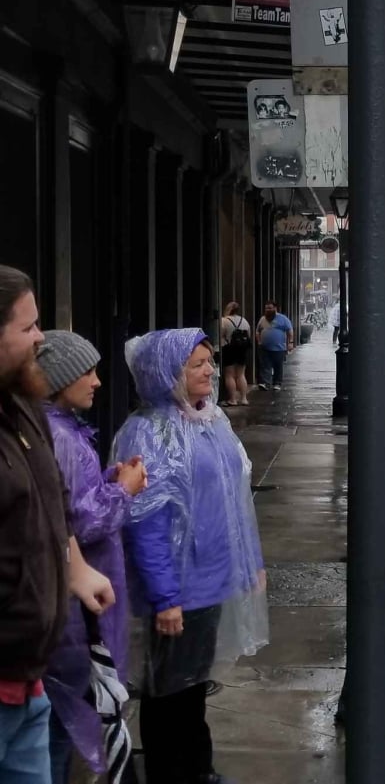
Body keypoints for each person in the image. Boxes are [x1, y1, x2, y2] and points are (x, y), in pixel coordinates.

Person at [115, 329, 268, 784]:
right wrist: (165, 598)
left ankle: (198, 769)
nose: (209, 370)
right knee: (167, 696)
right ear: (167, 372)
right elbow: (145, 523)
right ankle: (172, 773)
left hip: (212, 582)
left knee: (193, 688)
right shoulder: (148, 432)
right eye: (196, 363)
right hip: (179, 592)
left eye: (209, 361)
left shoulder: (210, 420)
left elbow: (235, 497)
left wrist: (250, 561)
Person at [0, 267, 115, 784]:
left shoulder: (22, 410)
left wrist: (74, 568)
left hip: (31, 678)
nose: (41, 338)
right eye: (28, 328)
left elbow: (56, 501)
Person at [36, 332, 145, 783]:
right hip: (79, 608)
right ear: (60, 380)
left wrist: (105, 481)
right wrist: (125, 490)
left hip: (79, 597)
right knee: (63, 721)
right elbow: (76, 524)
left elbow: (73, 503)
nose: (98, 381)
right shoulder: (61, 437)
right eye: (87, 372)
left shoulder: (58, 431)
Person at [218, 302, 252, 407]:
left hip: (229, 349)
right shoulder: (244, 321)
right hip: (242, 350)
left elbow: (220, 335)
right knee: (241, 374)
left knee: (230, 375)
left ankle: (232, 399)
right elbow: (248, 335)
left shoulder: (224, 321)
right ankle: (244, 399)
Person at [255, 303, 294, 391]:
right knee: (265, 365)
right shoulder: (262, 319)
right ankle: (265, 383)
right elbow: (258, 331)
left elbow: (290, 330)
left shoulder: (283, 319)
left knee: (278, 366)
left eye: (270, 308)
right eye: (266, 308)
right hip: (264, 347)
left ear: (275, 308)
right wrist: (259, 341)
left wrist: (290, 342)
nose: (268, 310)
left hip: (279, 348)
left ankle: (277, 383)